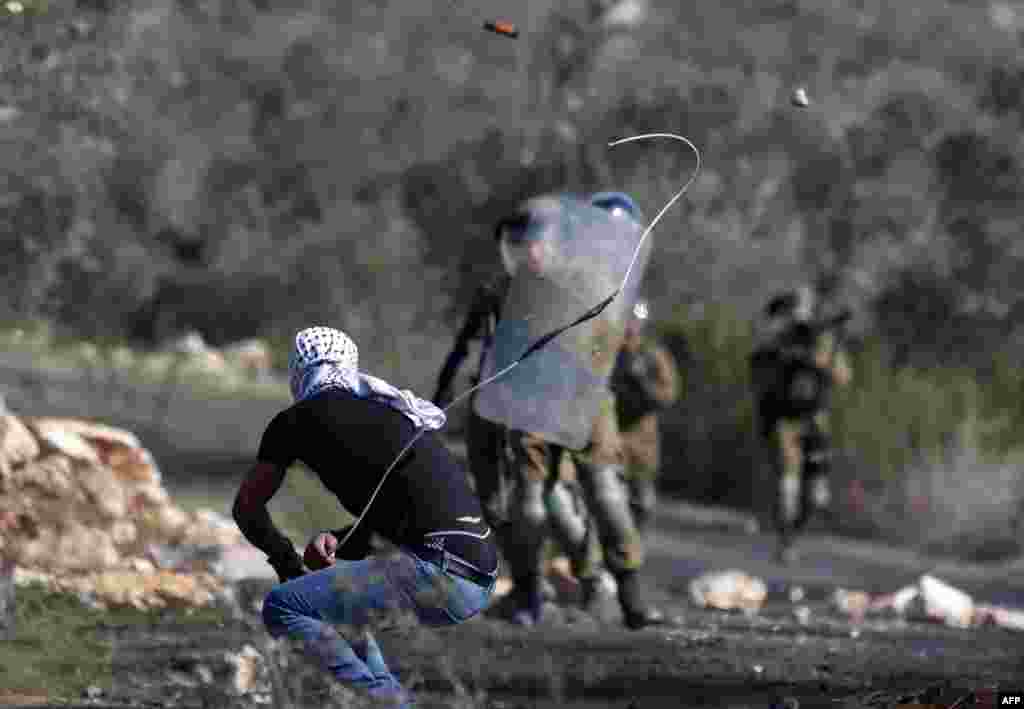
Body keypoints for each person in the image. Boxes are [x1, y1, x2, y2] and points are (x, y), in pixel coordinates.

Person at [232, 327, 499, 708]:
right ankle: (390, 701)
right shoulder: (393, 414)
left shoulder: (295, 421)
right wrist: (340, 541)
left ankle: (386, 703)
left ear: (299, 371)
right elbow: (405, 508)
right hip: (479, 573)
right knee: (341, 618)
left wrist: (285, 562)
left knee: (285, 606)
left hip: (440, 569)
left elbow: (247, 507)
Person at [482, 192, 670, 630]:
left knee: (598, 492)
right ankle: (539, 592)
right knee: (539, 500)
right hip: (543, 391)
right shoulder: (529, 280)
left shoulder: (583, 274)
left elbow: (615, 341)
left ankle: (626, 596)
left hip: (574, 390)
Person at [749, 286, 853, 563]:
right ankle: (786, 540)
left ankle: (793, 534)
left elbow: (843, 377)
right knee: (788, 484)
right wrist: (785, 357)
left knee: (816, 496)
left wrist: (819, 361)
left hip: (815, 421)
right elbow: (758, 370)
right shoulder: (777, 341)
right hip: (785, 420)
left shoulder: (823, 342)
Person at [609, 299, 681, 536]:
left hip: (642, 439)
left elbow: (668, 395)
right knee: (607, 498)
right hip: (610, 434)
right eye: (627, 320)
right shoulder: (607, 349)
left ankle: (634, 543)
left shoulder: (653, 355)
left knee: (642, 500)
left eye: (635, 321)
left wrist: (641, 379)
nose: (630, 327)